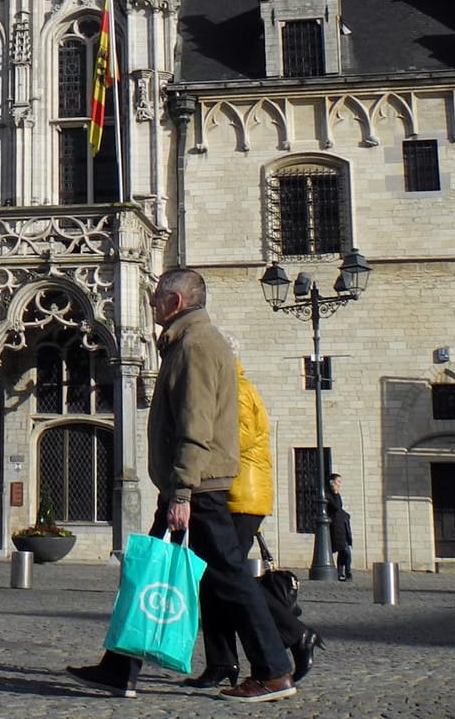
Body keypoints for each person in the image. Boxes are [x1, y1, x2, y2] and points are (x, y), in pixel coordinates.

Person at [67, 268, 298, 703]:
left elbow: (196, 424)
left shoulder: (195, 346)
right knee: (150, 570)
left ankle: (273, 669)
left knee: (230, 578)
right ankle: (120, 668)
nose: (151, 304)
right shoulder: (190, 343)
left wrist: (183, 493)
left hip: (197, 484)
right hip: (190, 482)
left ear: (174, 302)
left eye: (156, 298)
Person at [184, 365, 325, 690]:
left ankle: (294, 633)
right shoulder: (233, 386)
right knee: (213, 579)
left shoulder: (236, 389)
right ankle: (221, 661)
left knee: (228, 577)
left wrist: (199, 444)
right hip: (236, 494)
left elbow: (239, 438)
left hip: (239, 496)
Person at [327, 473, 353, 582]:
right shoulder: (328, 494)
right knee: (344, 550)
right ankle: (344, 572)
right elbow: (336, 507)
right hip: (335, 526)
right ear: (332, 483)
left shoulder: (337, 494)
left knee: (344, 550)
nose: (339, 484)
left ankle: (343, 572)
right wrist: (336, 493)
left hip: (341, 525)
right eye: (338, 482)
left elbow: (340, 507)